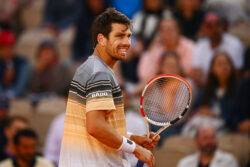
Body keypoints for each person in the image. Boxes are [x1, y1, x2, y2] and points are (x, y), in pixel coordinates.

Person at [59, 8, 160, 167]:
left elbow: (98, 127)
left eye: (128, 36)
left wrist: (134, 139)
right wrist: (135, 149)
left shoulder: (89, 68)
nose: (127, 43)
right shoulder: (100, 74)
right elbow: (95, 126)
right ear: (102, 39)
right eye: (119, 36)